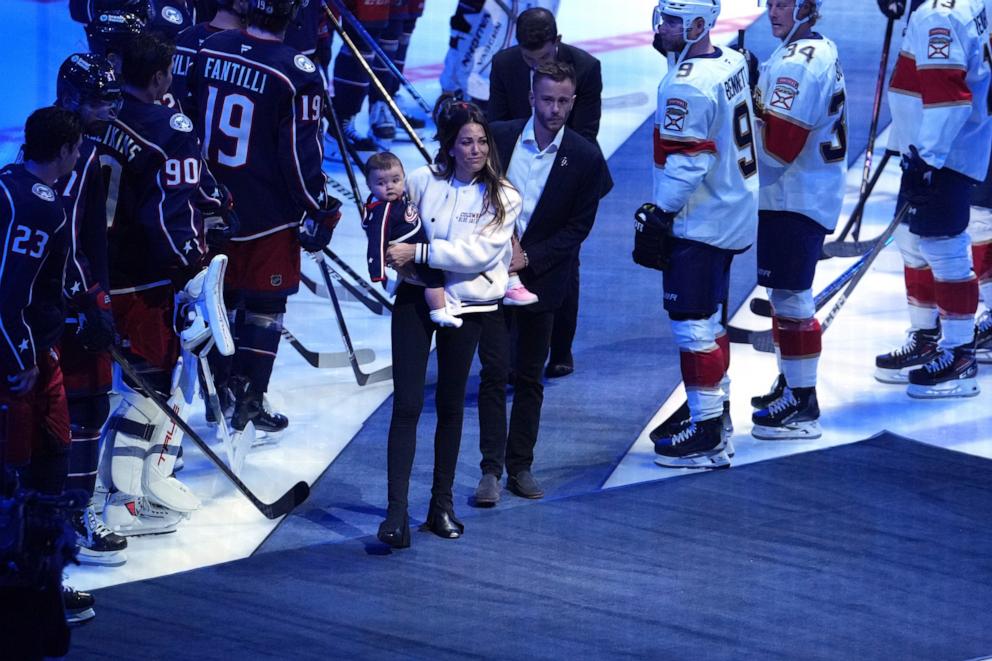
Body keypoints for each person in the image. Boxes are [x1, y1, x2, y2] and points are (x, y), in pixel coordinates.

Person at [188, 0, 342, 436]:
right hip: (266, 213)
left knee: (222, 303)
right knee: (265, 307)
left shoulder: (212, 47)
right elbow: (298, 155)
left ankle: (222, 392)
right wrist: (320, 207)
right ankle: (250, 396)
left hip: (212, 204)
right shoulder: (297, 71)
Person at [376, 101, 520, 548]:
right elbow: (393, 229)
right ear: (450, 145)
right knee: (407, 405)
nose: (475, 149)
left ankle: (441, 506)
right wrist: (395, 261)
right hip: (417, 300)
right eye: (466, 142)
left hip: (470, 310)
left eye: (481, 142)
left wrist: (418, 255)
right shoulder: (421, 181)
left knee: (452, 407)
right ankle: (396, 514)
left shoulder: (505, 196)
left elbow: (476, 255)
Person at [473, 61, 609, 504]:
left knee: (530, 378)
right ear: (531, 97)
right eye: (547, 99)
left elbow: (577, 230)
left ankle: (521, 467)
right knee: (493, 376)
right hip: (487, 278)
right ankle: (489, 471)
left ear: (574, 101)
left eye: (563, 101)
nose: (555, 109)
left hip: (544, 279)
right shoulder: (498, 136)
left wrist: (527, 257)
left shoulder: (586, 157)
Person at [95, 32, 211, 535]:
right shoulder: (169, 127)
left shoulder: (100, 116)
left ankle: (114, 488)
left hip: (96, 270)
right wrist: (190, 266)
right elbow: (166, 214)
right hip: (140, 279)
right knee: (151, 386)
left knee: (136, 383)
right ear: (162, 77)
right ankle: (123, 503)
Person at [646, 0, 758, 469]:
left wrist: (658, 213)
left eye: (673, 20)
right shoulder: (730, 59)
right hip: (733, 207)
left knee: (692, 325)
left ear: (697, 25)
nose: (662, 27)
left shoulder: (686, 85)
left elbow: (689, 160)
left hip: (699, 219)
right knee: (710, 321)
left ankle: (708, 432)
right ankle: (715, 414)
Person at [874, 0, 991, 398]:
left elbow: (950, 97)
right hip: (929, 145)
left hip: (942, 151)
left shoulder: (939, 14)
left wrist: (928, 159)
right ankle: (927, 336)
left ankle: (959, 353)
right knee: (911, 243)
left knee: (945, 249)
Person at [0, 106, 89, 625]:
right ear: (63, 152)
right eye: (76, 149)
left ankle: (44, 575)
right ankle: (35, 581)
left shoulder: (7, 180)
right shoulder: (43, 207)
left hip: (34, 353)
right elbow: (10, 292)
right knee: (27, 469)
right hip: (24, 362)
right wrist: (21, 357)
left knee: (49, 453)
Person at [486, 7, 605, 379]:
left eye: (543, 57)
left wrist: (555, 170)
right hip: (516, 168)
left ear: (557, 42)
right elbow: (497, 128)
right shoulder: (505, 65)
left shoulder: (585, 68)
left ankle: (561, 349)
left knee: (564, 261)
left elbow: (585, 134)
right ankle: (507, 347)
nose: (536, 64)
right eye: (528, 59)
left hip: (569, 172)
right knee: (505, 259)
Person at [747, 0, 845, 440]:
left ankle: (803, 402)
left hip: (796, 194)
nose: (772, 11)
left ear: (807, 6)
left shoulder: (799, 63)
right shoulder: (810, 48)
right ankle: (792, 384)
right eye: (769, 2)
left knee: (792, 298)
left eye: (783, 3)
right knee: (785, 296)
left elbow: (778, 147)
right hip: (798, 191)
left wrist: (741, 111)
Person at [54, 53, 129, 565]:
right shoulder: (74, 157)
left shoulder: (59, 144)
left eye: (111, 99)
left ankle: (62, 513)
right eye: (98, 101)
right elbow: (74, 240)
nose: (107, 109)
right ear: (72, 100)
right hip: (67, 308)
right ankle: (73, 512)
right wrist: (92, 301)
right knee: (84, 407)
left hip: (61, 303)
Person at [362, 151, 462, 328]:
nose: (389, 187)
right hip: (410, 250)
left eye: (395, 180)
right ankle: (438, 312)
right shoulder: (382, 210)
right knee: (433, 279)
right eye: (381, 183)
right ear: (369, 185)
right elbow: (376, 242)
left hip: (418, 241)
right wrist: (377, 271)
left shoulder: (401, 196)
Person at [170, 0, 250, 115]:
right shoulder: (244, 50)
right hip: (203, 130)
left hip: (172, 126)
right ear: (240, 2)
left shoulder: (183, 36)